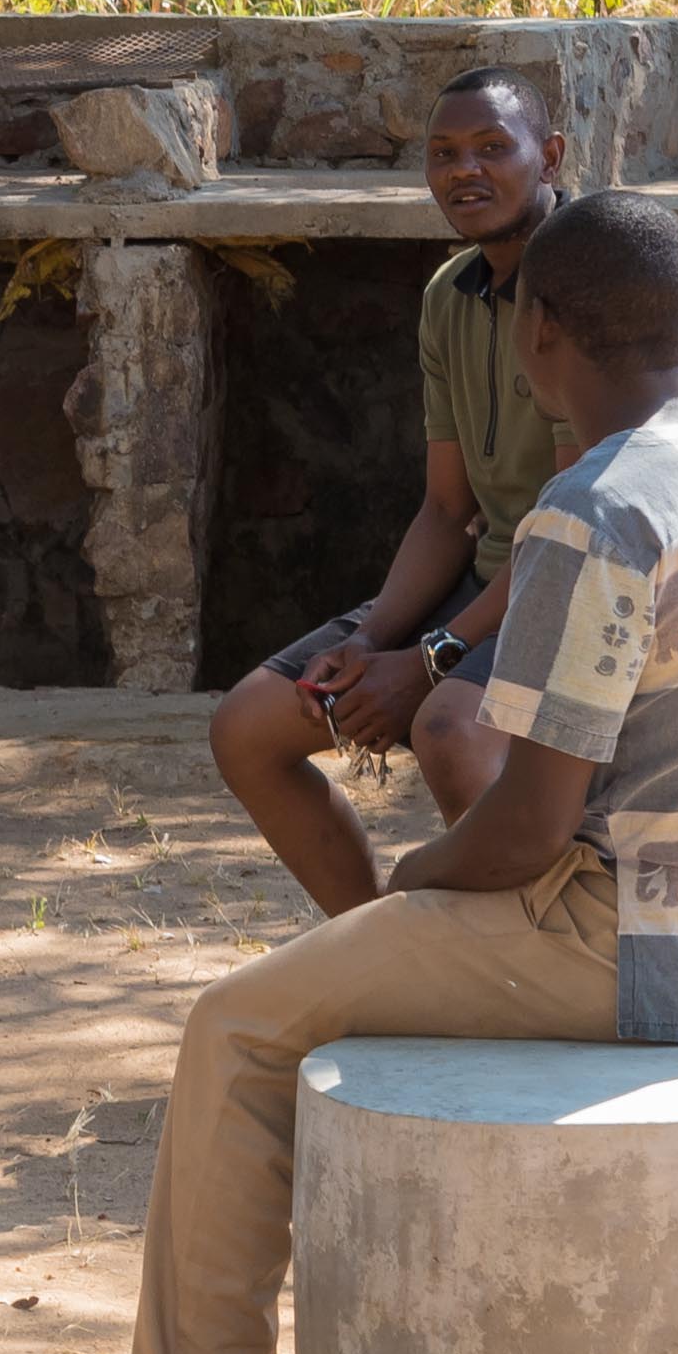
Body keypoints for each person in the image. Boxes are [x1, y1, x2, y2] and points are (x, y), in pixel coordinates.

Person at [18, 189, 678, 1354]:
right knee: (317, 984)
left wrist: (417, 885)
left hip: (652, 946)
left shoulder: (592, 511)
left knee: (237, 1025)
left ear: (537, 335)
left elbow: (529, 831)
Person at [209, 66, 573, 895]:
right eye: (443, 153)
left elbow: (572, 537)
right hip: (492, 584)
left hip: (576, 588)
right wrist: (373, 643)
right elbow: (448, 511)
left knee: (450, 729)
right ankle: (373, 954)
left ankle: (521, 976)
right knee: (249, 726)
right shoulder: (450, 293)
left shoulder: (586, 284)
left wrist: (433, 660)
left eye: (492, 147)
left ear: (548, 156)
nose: (464, 170)